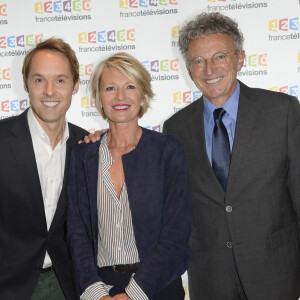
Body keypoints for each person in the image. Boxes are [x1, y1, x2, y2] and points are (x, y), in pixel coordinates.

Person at [163, 12, 300, 300]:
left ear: (240, 58)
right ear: (189, 70)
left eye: (220, 57)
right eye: (198, 61)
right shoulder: (175, 128)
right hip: (211, 279)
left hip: (276, 275)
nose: (209, 69)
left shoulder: (283, 111)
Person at [67, 52, 191, 300]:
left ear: (143, 96)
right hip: (102, 289)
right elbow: (76, 231)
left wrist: (134, 294)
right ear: (98, 100)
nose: (120, 96)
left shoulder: (167, 149)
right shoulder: (82, 155)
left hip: (158, 286)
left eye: (130, 87)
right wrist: (94, 292)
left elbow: (177, 232)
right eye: (110, 88)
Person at [0, 38, 87, 300]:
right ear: (25, 84)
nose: (50, 91)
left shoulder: (87, 147)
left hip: (68, 286)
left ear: (75, 85)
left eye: (60, 80)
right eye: (39, 80)